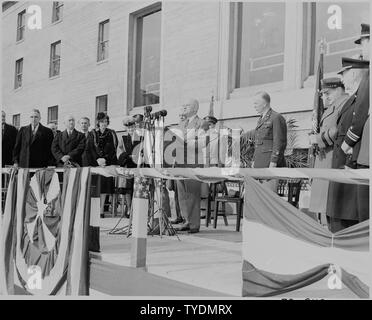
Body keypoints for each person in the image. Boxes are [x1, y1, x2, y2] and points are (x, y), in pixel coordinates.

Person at [326, 57, 369, 232]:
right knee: (338, 221)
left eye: (344, 74)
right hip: (343, 166)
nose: (342, 79)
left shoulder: (362, 97)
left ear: (353, 73)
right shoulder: (355, 98)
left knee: (347, 222)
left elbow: (356, 127)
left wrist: (346, 146)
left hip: (349, 164)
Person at [308, 78, 349, 217]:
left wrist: (317, 139)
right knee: (323, 205)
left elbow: (338, 129)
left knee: (328, 205)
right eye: (324, 94)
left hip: (331, 158)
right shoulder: (335, 105)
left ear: (338, 89)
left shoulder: (344, 103)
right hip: (324, 158)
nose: (325, 97)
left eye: (328, 93)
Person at [174, 99, 203, 233]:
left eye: (188, 105)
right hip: (180, 161)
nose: (184, 107)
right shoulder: (182, 123)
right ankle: (186, 220)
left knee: (192, 193)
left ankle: (194, 224)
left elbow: (203, 142)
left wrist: (187, 143)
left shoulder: (201, 123)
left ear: (195, 108)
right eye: (184, 105)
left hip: (193, 161)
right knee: (182, 193)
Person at [85, 112, 118, 216]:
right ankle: (94, 208)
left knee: (104, 186)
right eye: (102, 121)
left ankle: (101, 209)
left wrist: (105, 160)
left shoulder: (111, 133)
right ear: (98, 123)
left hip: (107, 164)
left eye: (105, 121)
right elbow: (89, 149)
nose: (104, 123)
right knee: (95, 186)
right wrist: (97, 160)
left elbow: (114, 148)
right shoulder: (92, 133)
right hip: (95, 164)